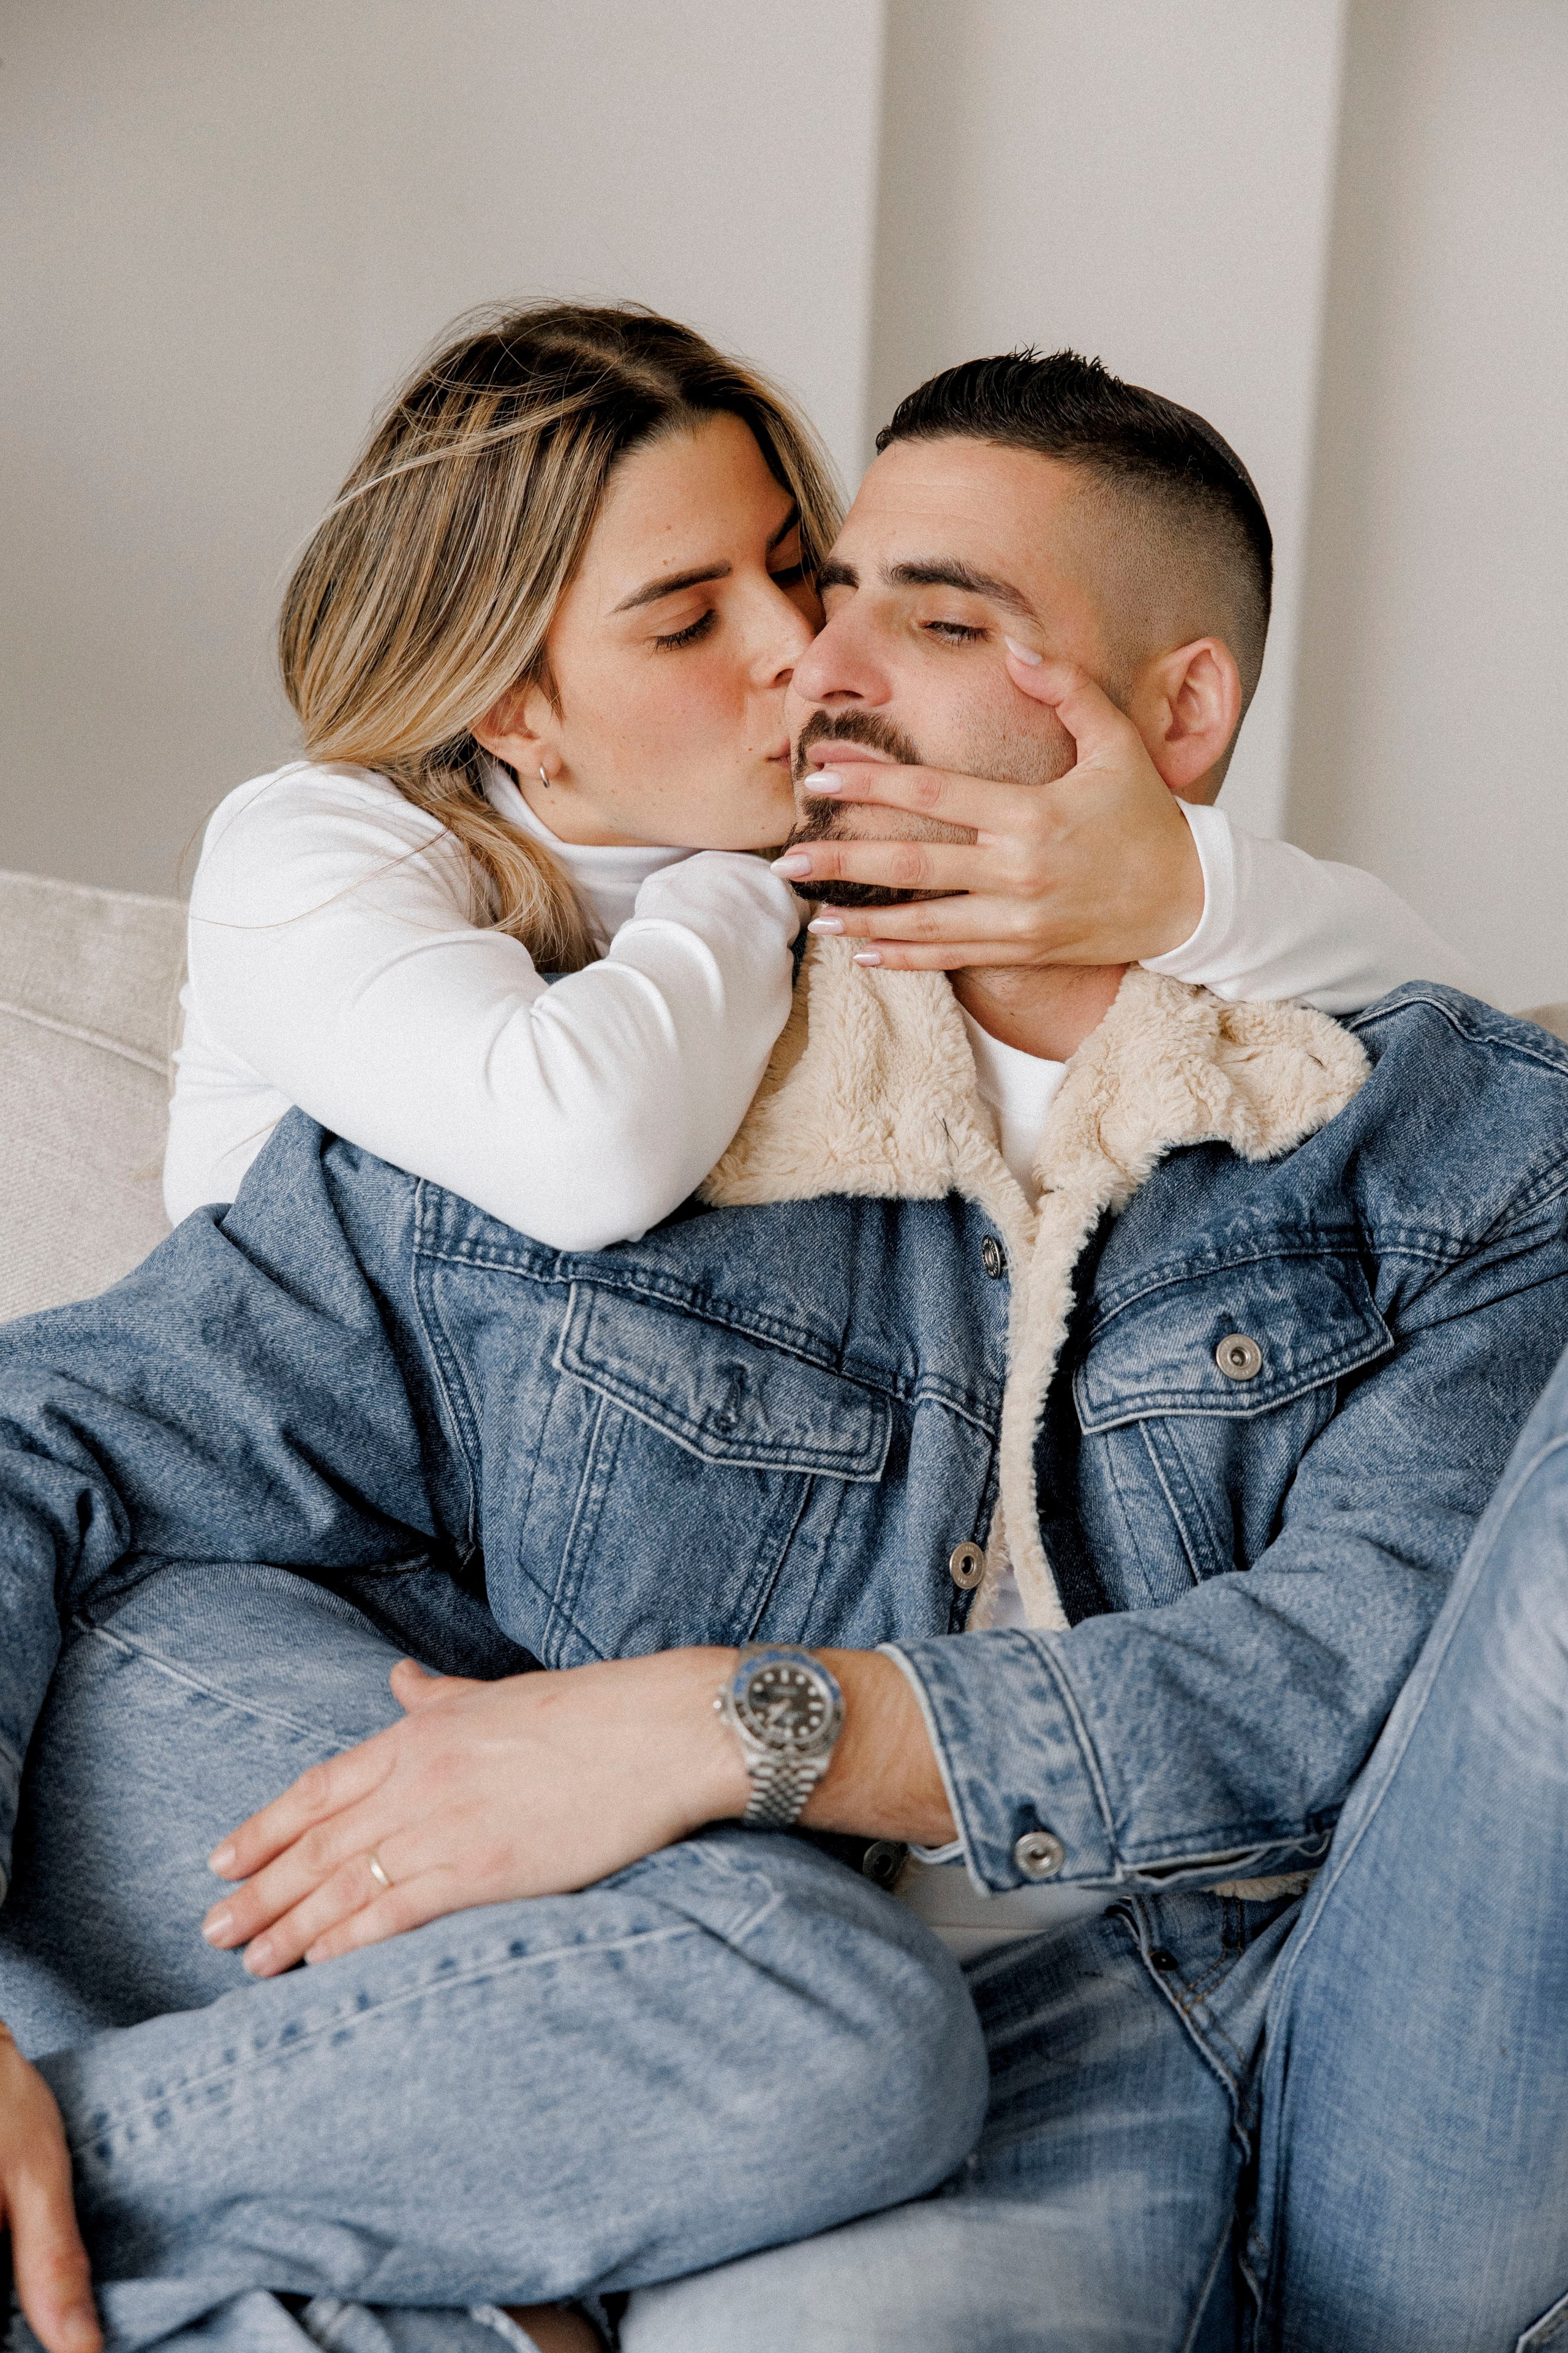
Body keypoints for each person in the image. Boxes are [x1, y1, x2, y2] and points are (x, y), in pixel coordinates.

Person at [3, 352, 1564, 2353]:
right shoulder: (609, 1094)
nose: (825, 657)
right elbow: (59, 1428)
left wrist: (752, 1719)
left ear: (1180, 712)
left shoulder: (1447, 1134)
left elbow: (1341, 1671)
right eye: (835, 588)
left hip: (1367, 1987)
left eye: (937, 615)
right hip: (886, 2049)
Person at [164, 303, 1468, 1250]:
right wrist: (742, 881)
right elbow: (580, 1154)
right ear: (507, 703)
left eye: (794, 571)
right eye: (685, 622)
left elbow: (1445, 1021)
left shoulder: (873, 855)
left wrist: (1173, 885)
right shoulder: (318, 847)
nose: (802, 652)